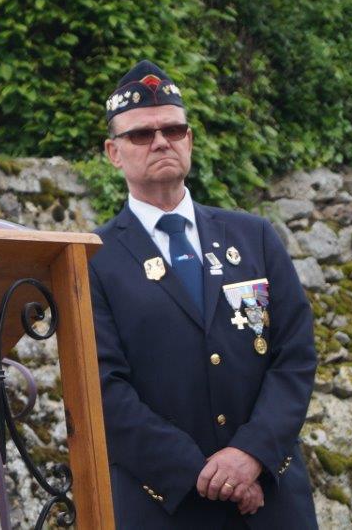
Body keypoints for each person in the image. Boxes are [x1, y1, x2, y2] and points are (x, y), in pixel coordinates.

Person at [89, 60, 318, 528]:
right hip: (167, 504)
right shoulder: (93, 258)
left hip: (273, 502)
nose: (160, 141)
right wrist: (208, 474)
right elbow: (102, 388)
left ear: (189, 140)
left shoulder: (253, 237)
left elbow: (294, 356)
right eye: (140, 134)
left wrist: (250, 454)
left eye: (173, 129)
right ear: (113, 152)